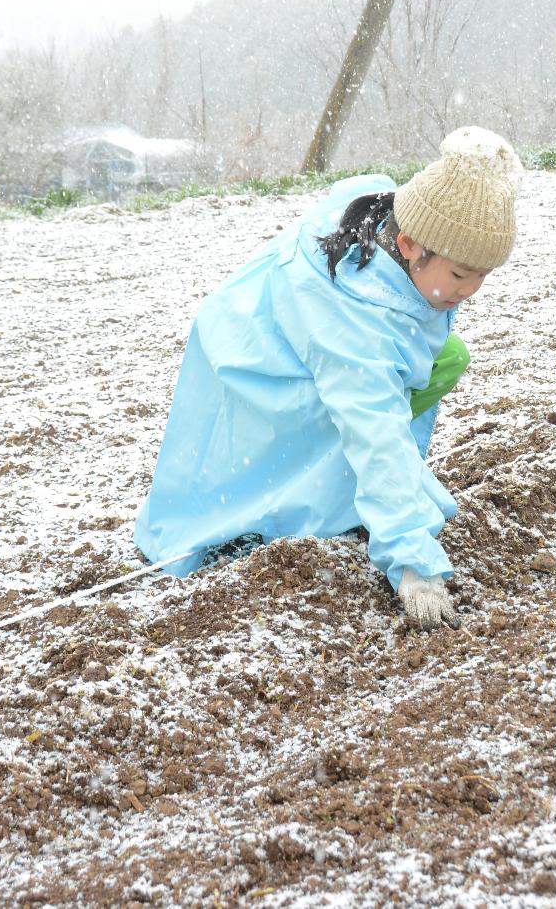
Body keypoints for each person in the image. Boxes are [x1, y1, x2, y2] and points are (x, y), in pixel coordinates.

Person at [133, 127, 520, 627]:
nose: (472, 290)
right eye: (463, 275)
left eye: (484, 275)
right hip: (253, 370)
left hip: (280, 345)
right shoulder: (353, 326)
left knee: (447, 357)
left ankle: (349, 493)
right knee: (336, 439)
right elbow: (375, 429)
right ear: (407, 243)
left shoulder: (393, 230)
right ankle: (314, 502)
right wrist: (412, 564)